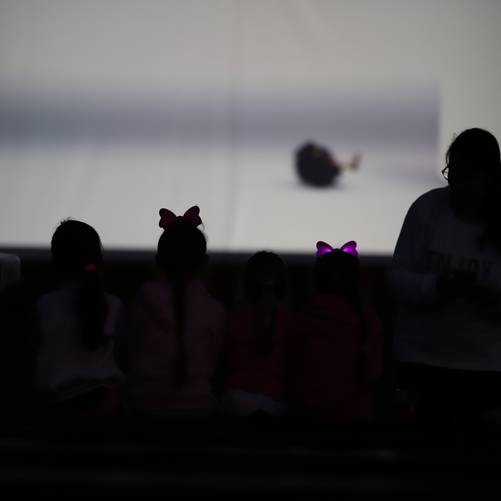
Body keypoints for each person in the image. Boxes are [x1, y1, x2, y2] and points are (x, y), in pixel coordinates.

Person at [390, 128, 501, 421]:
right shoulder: (426, 208)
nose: (457, 185)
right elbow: (397, 278)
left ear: (490, 178)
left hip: (484, 370)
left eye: (467, 177)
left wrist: (490, 299)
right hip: (421, 362)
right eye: (453, 174)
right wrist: (437, 286)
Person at [127, 206, 225, 417]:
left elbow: (131, 349)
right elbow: (211, 367)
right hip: (197, 408)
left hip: (144, 406)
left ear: (158, 262)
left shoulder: (144, 297)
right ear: (205, 264)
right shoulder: (214, 309)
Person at [34, 220, 124, 416]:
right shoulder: (114, 305)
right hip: (106, 407)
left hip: (59, 407)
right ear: (98, 259)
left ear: (56, 262)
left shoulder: (44, 306)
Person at [291, 241, 382, 419]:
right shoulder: (368, 320)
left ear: (317, 277)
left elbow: (293, 371)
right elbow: (375, 373)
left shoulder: (303, 318)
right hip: (356, 416)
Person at [222, 251, 290, 417]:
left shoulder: (233, 318)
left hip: (235, 401)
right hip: (277, 402)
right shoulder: (291, 321)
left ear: (246, 284)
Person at [295, 142, 360, 187]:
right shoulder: (307, 160)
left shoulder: (322, 156)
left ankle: (351, 165)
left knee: (330, 163)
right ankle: (351, 165)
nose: (317, 151)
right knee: (329, 164)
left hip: (320, 174)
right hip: (315, 175)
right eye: (315, 151)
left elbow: (331, 162)